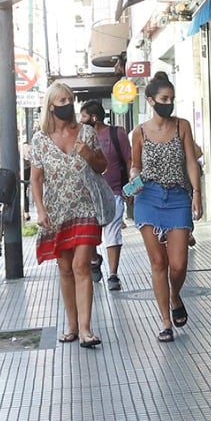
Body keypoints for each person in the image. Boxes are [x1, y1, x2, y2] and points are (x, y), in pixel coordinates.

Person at [30, 83, 107, 348]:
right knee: (64, 268)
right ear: (51, 105)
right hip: (56, 211)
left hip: (85, 207)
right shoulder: (39, 139)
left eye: (70, 99)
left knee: (81, 265)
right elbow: (36, 179)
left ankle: (86, 329)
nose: (67, 104)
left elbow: (102, 166)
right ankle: (72, 325)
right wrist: (40, 210)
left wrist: (88, 154)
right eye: (62, 100)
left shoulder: (86, 132)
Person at [129, 72, 203, 343]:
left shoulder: (182, 126)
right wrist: (133, 178)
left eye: (171, 99)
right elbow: (135, 164)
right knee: (158, 262)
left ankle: (175, 295)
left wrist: (197, 193)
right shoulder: (139, 132)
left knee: (179, 264)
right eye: (163, 99)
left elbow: (192, 162)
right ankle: (165, 321)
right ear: (150, 100)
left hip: (178, 197)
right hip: (148, 197)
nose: (168, 103)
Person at [80, 101, 132, 291]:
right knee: (90, 234)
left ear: (93, 118)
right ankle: (95, 259)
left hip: (114, 191)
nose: (81, 120)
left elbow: (128, 159)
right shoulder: (81, 137)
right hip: (89, 194)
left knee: (112, 232)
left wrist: (129, 188)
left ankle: (113, 274)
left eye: (83, 116)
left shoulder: (116, 133)